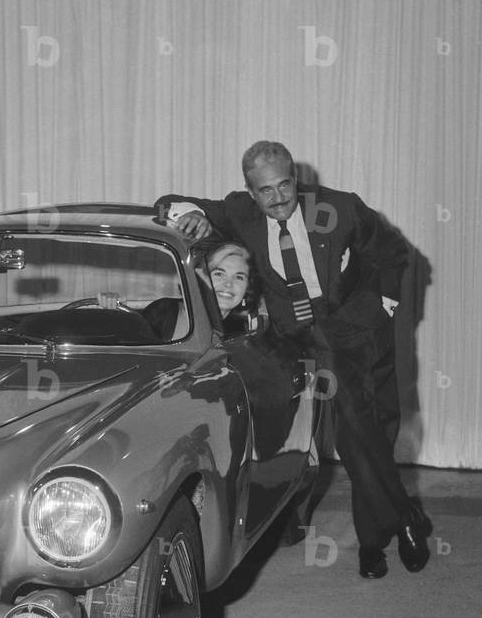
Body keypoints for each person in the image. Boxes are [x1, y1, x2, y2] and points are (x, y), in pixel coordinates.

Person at [159, 140, 428, 579]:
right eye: (266, 191)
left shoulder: (339, 209)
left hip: (361, 331)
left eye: (285, 186)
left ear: (295, 179)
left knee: (373, 431)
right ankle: (386, 532)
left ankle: (386, 529)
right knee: (354, 427)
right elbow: (170, 203)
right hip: (313, 341)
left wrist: (380, 310)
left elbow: (395, 255)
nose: (278, 198)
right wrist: (183, 213)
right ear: (251, 192)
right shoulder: (240, 214)